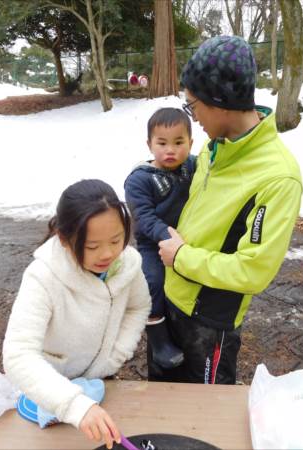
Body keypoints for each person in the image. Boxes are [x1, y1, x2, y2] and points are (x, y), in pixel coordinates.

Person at [157, 35, 303, 384]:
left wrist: (180, 258)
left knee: (206, 421)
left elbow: (253, 271)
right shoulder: (214, 147)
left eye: (193, 105)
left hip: (209, 322)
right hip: (171, 300)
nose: (191, 117)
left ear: (219, 101)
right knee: (165, 405)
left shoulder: (277, 176)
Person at [3, 179, 151, 449]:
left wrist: (116, 354)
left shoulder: (127, 264)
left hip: (99, 381)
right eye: (92, 246)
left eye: (117, 240)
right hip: (48, 389)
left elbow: (138, 306)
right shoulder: (44, 277)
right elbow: (18, 355)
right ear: (64, 238)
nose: (108, 254)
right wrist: (74, 405)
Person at [124, 108, 195, 378]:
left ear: (190, 142)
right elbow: (143, 218)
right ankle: (158, 338)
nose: (171, 150)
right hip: (153, 243)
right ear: (149, 144)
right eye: (162, 143)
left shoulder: (194, 167)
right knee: (151, 282)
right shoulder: (140, 179)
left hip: (185, 241)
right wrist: (168, 237)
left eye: (179, 142)